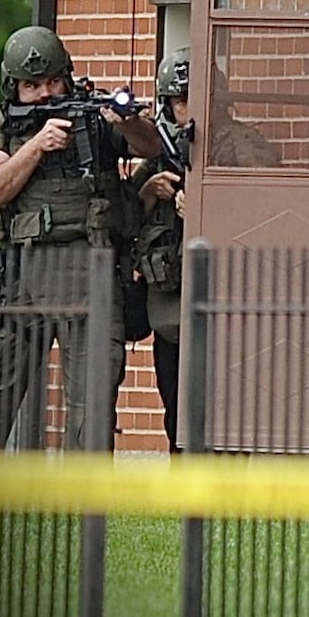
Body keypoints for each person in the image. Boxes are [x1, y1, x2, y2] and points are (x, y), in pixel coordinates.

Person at [0, 25, 161, 450]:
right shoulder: (0, 120)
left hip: (90, 270)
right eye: (32, 86)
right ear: (13, 86)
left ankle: (85, 508)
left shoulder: (91, 109)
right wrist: (36, 146)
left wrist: (126, 120)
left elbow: (152, 149)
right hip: (23, 275)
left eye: (54, 81)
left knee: (93, 403)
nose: (46, 93)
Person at [131, 48, 191, 452]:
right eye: (182, 100)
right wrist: (148, 194)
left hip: (222, 304)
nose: (189, 109)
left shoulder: (240, 146)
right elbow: (123, 220)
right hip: (170, 305)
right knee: (173, 399)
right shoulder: (155, 155)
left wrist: (205, 205)